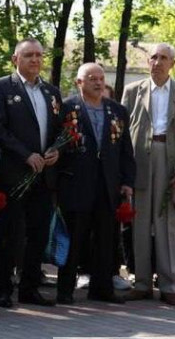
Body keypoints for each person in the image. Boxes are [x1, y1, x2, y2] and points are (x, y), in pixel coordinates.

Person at [121, 43, 175, 305]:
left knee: (170, 223)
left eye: (163, 58)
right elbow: (122, 133)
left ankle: (169, 285)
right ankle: (142, 283)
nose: (157, 62)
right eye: (153, 57)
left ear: (172, 64)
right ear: (148, 62)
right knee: (140, 222)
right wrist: (125, 170)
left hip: (173, 159)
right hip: (141, 159)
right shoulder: (133, 91)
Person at [0, 38, 62, 308]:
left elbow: (59, 129)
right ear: (15, 59)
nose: (35, 60)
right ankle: (3, 289)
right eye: (29, 55)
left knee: (39, 234)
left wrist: (56, 150)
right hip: (15, 173)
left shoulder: (51, 92)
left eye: (39, 55)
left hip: (44, 175)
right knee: (11, 233)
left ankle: (29, 288)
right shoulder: (1, 87)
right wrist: (25, 154)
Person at [56, 63, 135, 304]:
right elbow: (57, 145)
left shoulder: (117, 110)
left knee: (105, 239)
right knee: (75, 238)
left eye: (101, 78)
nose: (98, 83)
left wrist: (127, 181)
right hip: (76, 183)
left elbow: (125, 150)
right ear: (79, 82)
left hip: (108, 184)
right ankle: (65, 290)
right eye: (92, 78)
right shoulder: (67, 108)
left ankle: (102, 289)